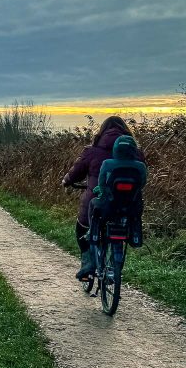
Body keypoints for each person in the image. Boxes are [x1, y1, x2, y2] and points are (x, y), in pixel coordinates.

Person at [61, 116, 144, 280]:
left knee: (82, 226)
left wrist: (66, 181)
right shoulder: (137, 154)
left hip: (100, 202)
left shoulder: (91, 151)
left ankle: (88, 262)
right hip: (129, 204)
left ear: (102, 133)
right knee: (126, 221)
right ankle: (132, 237)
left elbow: (76, 172)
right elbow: (142, 179)